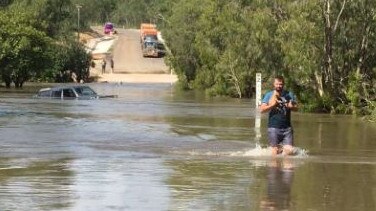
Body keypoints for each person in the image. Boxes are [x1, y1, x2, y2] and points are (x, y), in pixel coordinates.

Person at [260, 76, 298, 155]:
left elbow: (296, 108)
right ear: (274, 84)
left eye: (280, 84)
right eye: (277, 84)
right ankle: (275, 164)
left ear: (283, 84)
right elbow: (262, 110)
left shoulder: (289, 94)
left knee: (289, 151)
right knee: (274, 152)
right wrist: (272, 105)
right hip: (273, 127)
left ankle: (284, 159)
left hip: (287, 128)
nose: (279, 86)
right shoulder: (269, 95)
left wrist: (291, 106)